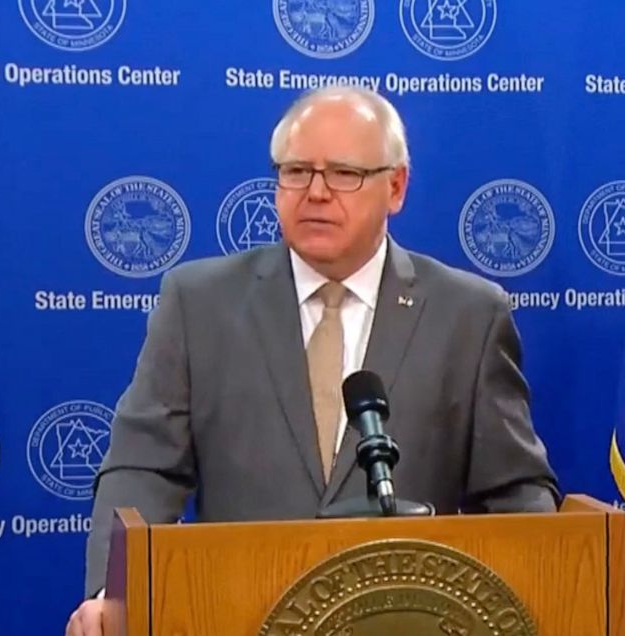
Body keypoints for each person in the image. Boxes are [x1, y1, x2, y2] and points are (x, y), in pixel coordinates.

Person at [65, 86, 559, 636]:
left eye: (344, 173)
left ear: (395, 187)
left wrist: (542, 588)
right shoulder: (199, 302)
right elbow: (142, 467)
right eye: (297, 171)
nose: (316, 193)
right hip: (237, 615)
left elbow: (513, 489)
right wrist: (116, 593)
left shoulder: (468, 314)